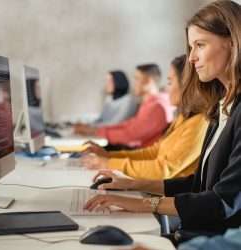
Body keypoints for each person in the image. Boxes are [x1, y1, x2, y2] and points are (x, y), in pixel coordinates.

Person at [84, 0, 241, 246]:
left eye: (200, 45)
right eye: (191, 47)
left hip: (211, 239)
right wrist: (131, 185)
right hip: (197, 231)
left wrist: (144, 203)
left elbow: (222, 202)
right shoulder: (220, 106)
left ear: (232, 42)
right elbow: (199, 184)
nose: (191, 58)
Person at [81, 55, 208, 180]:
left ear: (187, 84)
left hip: (164, 191)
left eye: (170, 81)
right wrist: (109, 156)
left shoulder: (197, 124)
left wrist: (109, 163)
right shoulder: (183, 117)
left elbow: (162, 168)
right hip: (150, 177)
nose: (166, 88)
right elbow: (155, 151)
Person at [75, 64, 174, 149]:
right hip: (135, 149)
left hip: (139, 153)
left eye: (137, 78)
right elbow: (129, 125)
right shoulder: (149, 104)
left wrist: (95, 131)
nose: (134, 83)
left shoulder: (157, 107)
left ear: (149, 80)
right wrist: (93, 130)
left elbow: (131, 134)